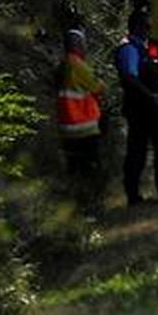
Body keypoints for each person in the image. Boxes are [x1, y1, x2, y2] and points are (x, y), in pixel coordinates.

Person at [114, 10, 158, 204]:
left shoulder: (143, 48)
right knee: (137, 151)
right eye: (146, 26)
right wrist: (150, 96)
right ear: (137, 27)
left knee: (154, 149)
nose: (148, 31)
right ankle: (133, 194)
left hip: (148, 107)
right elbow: (130, 77)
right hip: (138, 107)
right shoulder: (129, 49)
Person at [56, 29, 106, 193]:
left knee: (74, 169)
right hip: (84, 127)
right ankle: (93, 203)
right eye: (83, 44)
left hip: (66, 128)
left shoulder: (61, 66)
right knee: (91, 167)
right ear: (77, 45)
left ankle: (78, 204)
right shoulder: (77, 64)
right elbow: (98, 87)